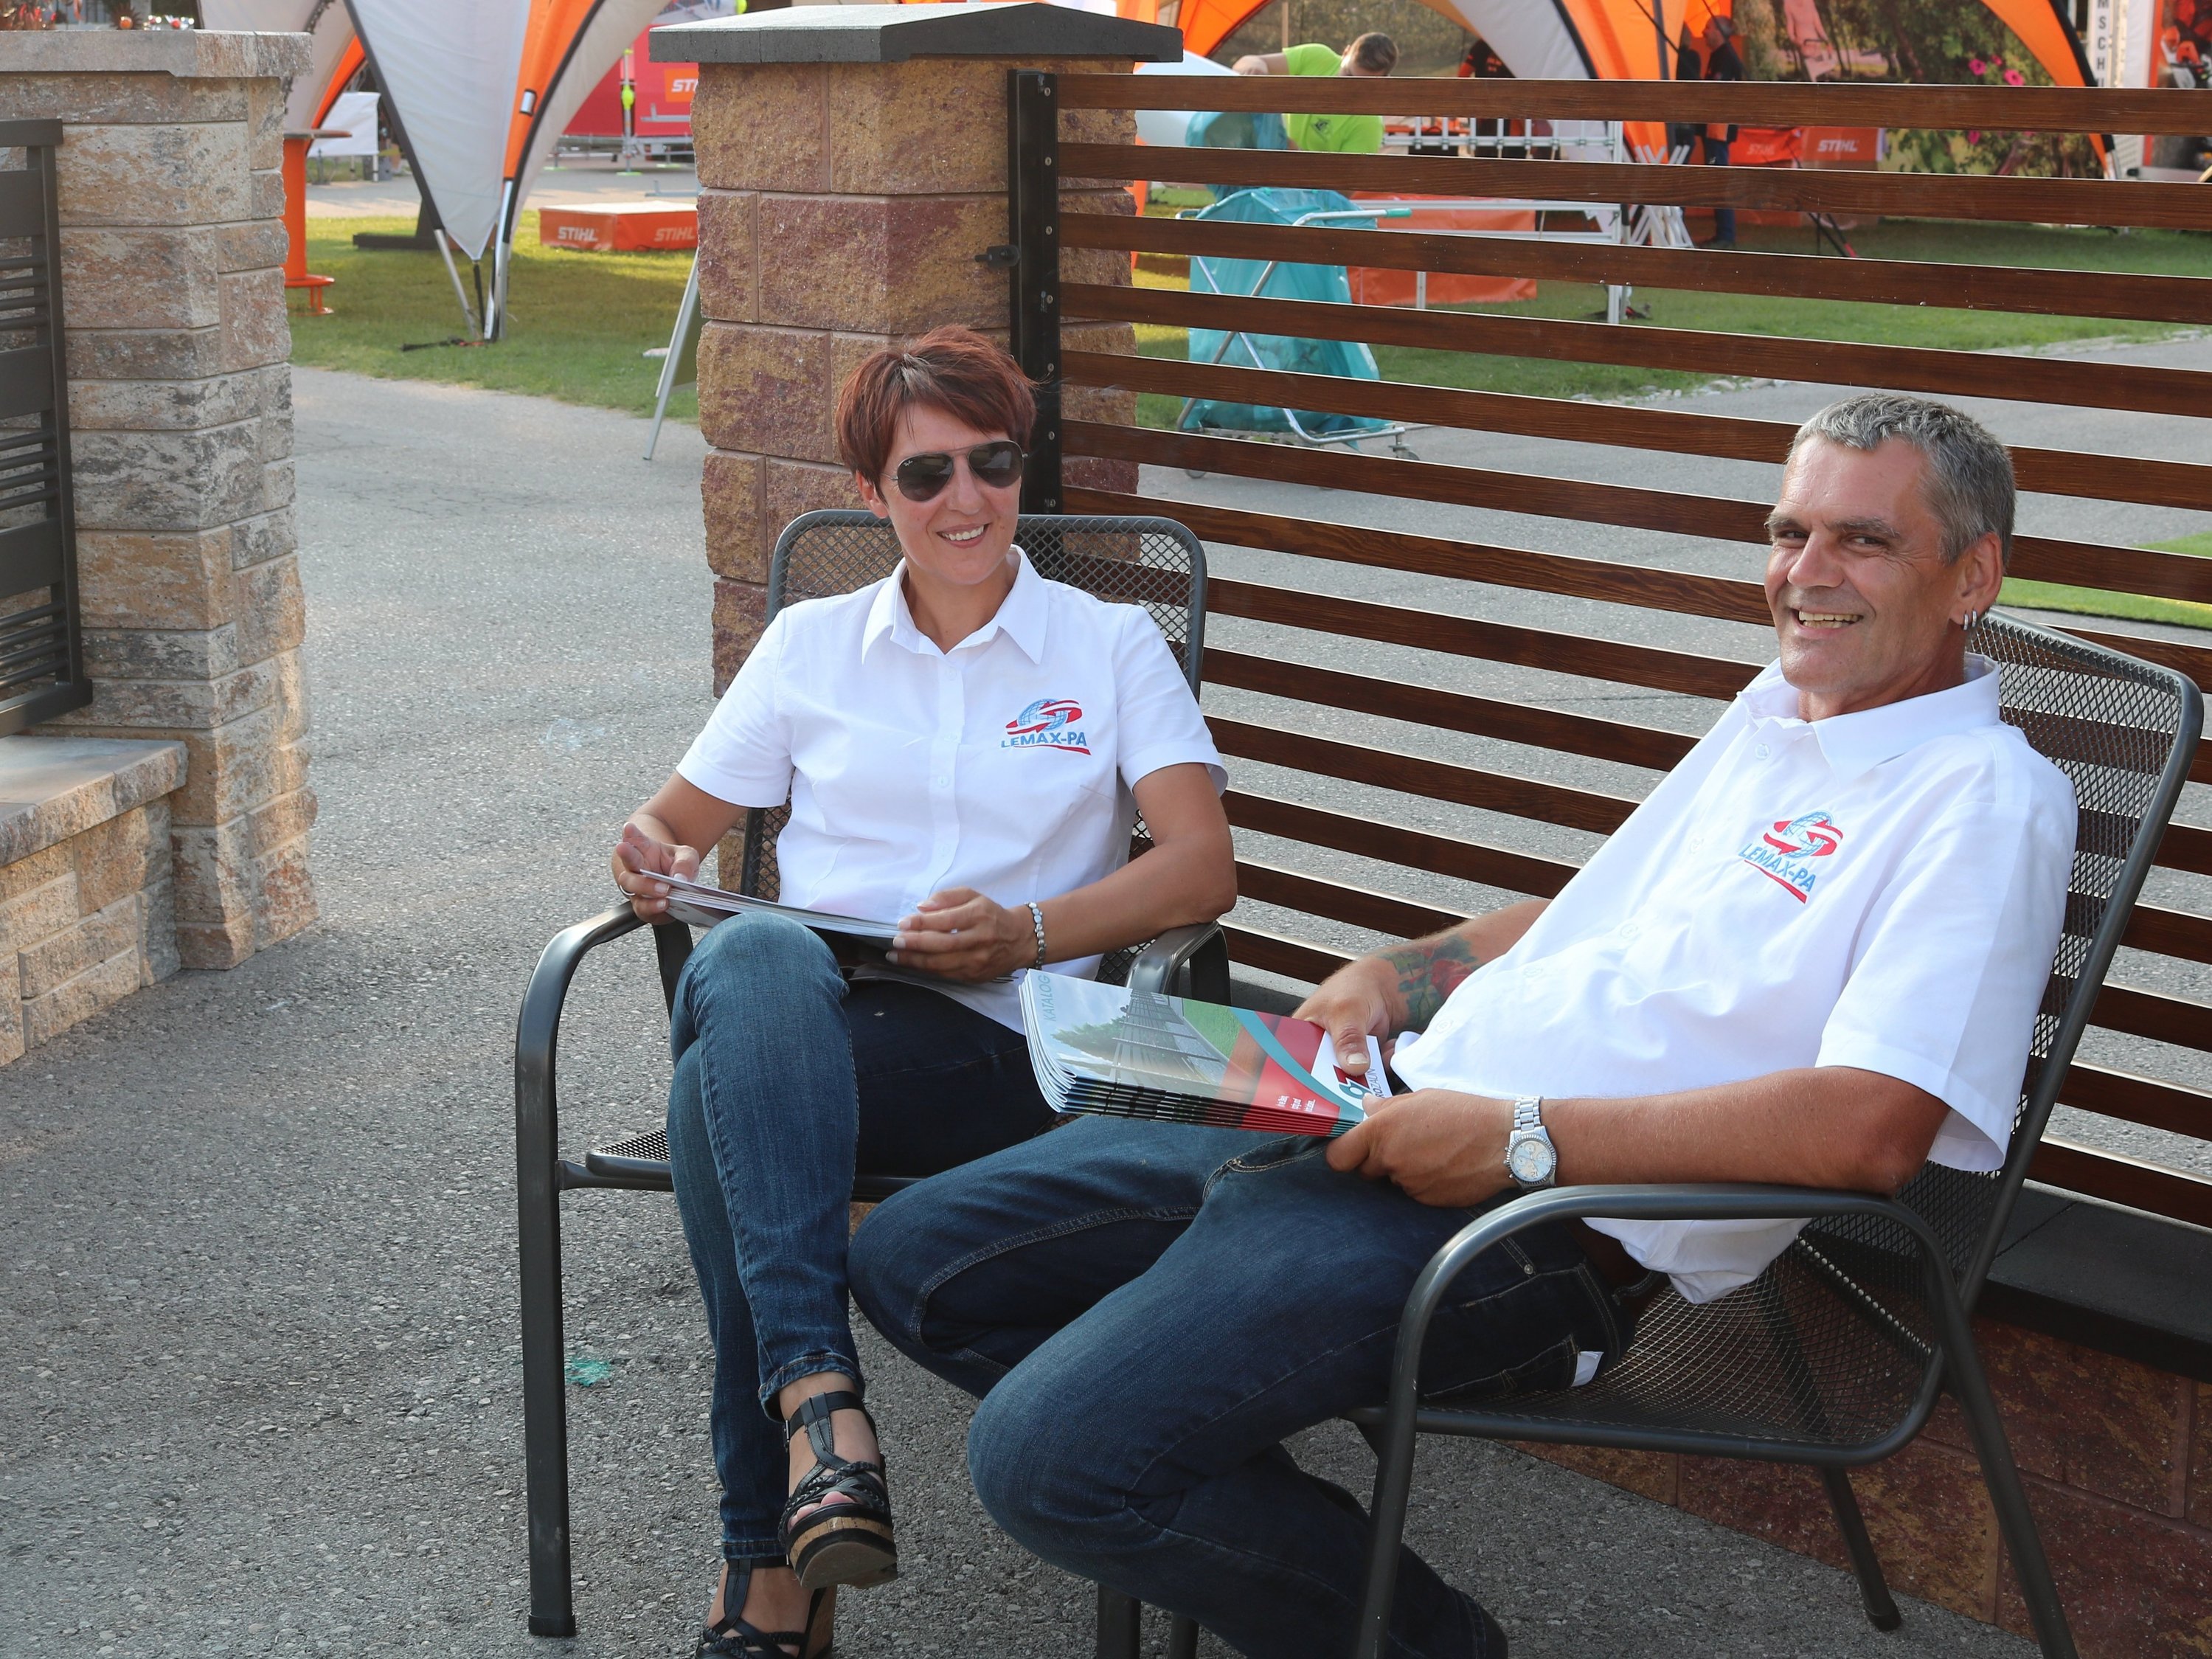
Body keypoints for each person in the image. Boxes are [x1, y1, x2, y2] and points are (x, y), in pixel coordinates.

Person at [848, 393, 2075, 1659]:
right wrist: (1390, 974)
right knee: (913, 1257)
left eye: (1858, 541)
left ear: (1968, 573)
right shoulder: (1778, 715)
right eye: (1786, 531)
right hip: (1379, 1110)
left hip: (1529, 1234)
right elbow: (1588, 912)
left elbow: (1872, 1127)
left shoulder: (1980, 802)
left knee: (1045, 1460)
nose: (1801, 576)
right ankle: (1201, 1469)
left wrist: (1518, 1139)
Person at [614, 325, 1234, 1659]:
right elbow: (674, 821)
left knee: (715, 1120)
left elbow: (1198, 869)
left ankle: (769, 1539)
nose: (964, 499)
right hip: (817, 1022)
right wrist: (653, 856)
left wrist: (1026, 929)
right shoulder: (808, 646)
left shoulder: (1106, 642)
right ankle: (820, 1399)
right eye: (925, 473)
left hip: (1012, 1055)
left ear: (1022, 464)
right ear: (874, 491)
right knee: (753, 955)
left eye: (992, 462)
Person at [1232, 32, 1397, 153]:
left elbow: (1342, 191)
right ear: (1345, 53)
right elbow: (1248, 61)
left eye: (1362, 85)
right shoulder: (1317, 57)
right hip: (1264, 171)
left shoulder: (1369, 125)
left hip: (1307, 195)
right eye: (1347, 74)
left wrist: (1298, 158)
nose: (1349, 86)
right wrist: (1257, 68)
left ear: (1380, 81)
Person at [1696, 14, 1745, 247]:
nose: (1704, 33)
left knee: (1719, 179)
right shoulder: (1718, 56)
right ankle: (1722, 233)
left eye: (1707, 28)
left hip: (1719, 130)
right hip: (1712, 129)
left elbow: (1720, 93)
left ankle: (1726, 235)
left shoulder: (1727, 58)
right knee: (1716, 179)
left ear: (1719, 31)